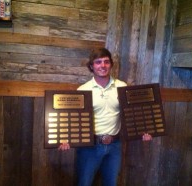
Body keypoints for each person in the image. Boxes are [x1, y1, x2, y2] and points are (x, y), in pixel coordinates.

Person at [58, 48, 152, 186]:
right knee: (84, 183)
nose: (103, 65)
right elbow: (72, 119)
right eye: (98, 62)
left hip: (114, 145)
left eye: (106, 62)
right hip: (89, 146)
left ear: (111, 64)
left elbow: (133, 114)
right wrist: (65, 138)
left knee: (111, 183)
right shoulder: (83, 90)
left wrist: (144, 131)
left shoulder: (122, 86)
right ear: (91, 66)